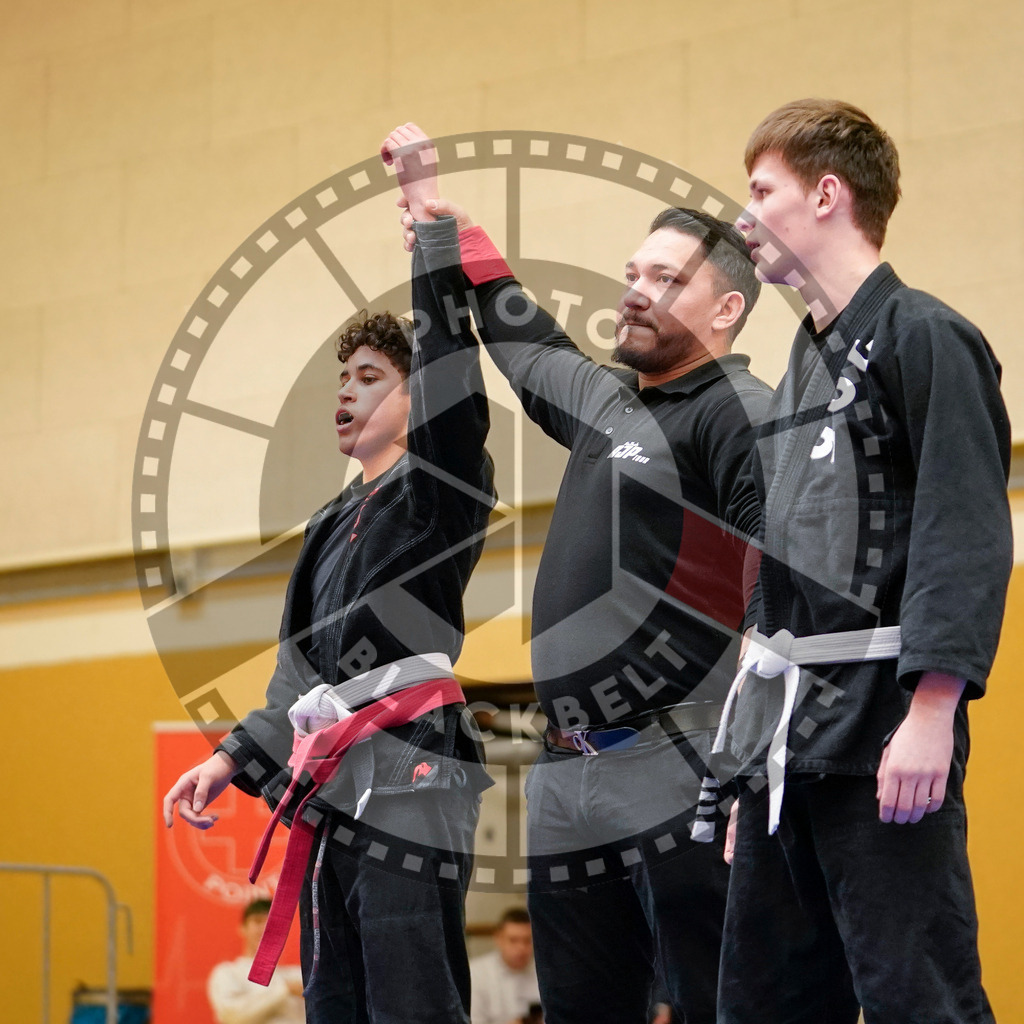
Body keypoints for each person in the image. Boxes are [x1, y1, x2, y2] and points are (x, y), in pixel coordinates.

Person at [382, 123, 772, 1024]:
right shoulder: (612, 405)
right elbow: (527, 344)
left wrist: (748, 761)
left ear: (727, 312)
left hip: (683, 763)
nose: (636, 292)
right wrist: (440, 227)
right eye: (635, 273)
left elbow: (784, 578)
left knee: (720, 999)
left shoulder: (738, 412)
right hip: (565, 776)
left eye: (668, 280)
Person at [716, 98, 1011, 1023]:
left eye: (761, 190)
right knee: (763, 1001)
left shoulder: (927, 337)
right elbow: (780, 571)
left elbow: (963, 530)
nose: (743, 214)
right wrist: (746, 764)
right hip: (787, 744)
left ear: (828, 195)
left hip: (883, 732)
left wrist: (933, 709)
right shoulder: (801, 368)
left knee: (911, 993)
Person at [162, 209, 497, 1023]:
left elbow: (457, 387)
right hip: (329, 779)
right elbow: (296, 672)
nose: (346, 389)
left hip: (413, 761)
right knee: (335, 992)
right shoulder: (323, 526)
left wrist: (436, 256)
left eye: (372, 375)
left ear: (417, 395)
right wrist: (232, 758)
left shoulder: (440, 487)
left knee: (411, 992)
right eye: (341, 378)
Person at [207, 898, 305, 1024]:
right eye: (258, 921)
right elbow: (231, 1016)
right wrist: (285, 989)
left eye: (273, 923)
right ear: (243, 928)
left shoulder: (300, 975)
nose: (265, 928)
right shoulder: (227, 973)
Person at [469, 907, 541, 1024]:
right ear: (498, 938)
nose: (521, 948)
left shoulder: (545, 973)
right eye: (513, 940)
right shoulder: (476, 974)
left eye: (528, 940)